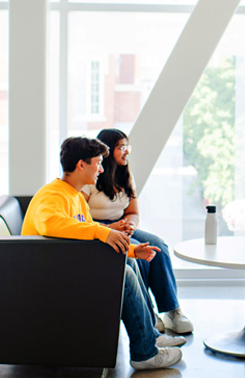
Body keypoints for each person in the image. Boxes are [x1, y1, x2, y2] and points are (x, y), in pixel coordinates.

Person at [20, 136, 185, 370]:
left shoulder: (76, 197)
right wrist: (101, 231)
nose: (100, 169)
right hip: (49, 279)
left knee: (130, 264)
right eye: (97, 163)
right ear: (81, 165)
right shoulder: (53, 195)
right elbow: (50, 224)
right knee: (124, 274)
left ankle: (149, 339)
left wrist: (134, 250)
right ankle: (145, 352)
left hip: (64, 268)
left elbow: (89, 237)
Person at [81, 128, 194, 334]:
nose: (126, 151)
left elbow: (132, 211)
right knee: (137, 252)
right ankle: (148, 313)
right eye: (120, 147)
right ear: (106, 151)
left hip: (122, 225)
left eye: (127, 146)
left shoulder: (126, 176)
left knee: (158, 246)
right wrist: (109, 228)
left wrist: (130, 225)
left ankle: (171, 310)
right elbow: (81, 221)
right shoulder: (91, 178)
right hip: (98, 230)